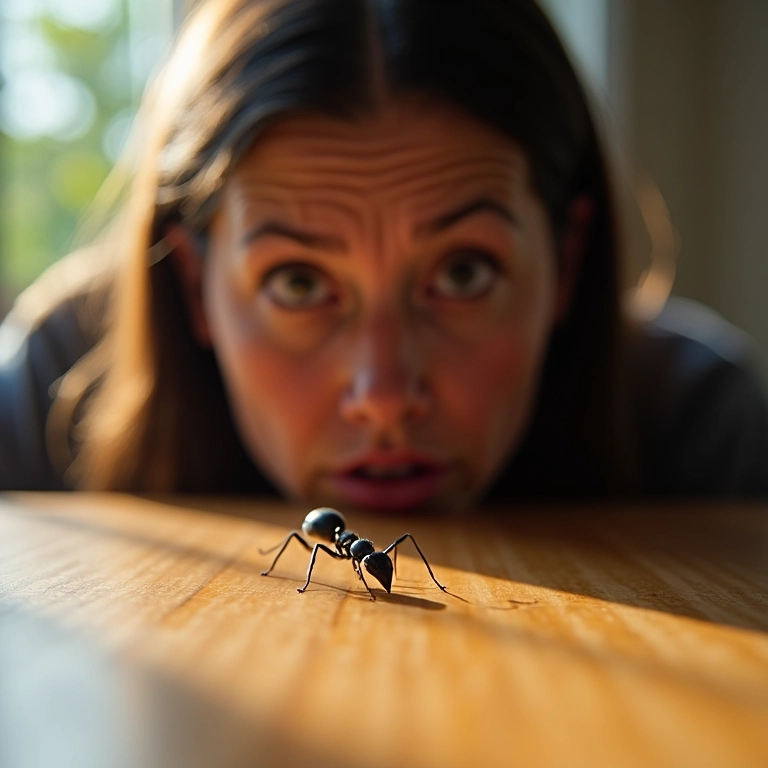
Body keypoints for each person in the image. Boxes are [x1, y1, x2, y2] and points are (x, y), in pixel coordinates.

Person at [1, 0, 767, 509]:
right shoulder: (51, 395)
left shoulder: (700, 431)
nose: (385, 394)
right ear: (198, 287)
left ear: (565, 265)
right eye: (298, 283)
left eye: (463, 274)